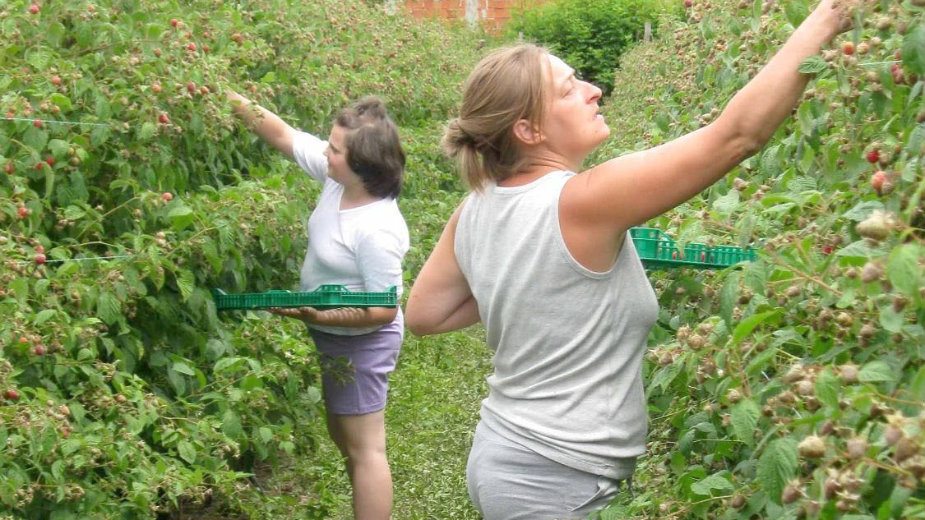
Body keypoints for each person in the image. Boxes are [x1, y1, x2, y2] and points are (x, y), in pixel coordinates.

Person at [405, 1, 852, 518]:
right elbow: (736, 136)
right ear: (528, 131)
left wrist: (530, 285)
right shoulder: (583, 201)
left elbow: (425, 313)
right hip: (553, 480)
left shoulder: (475, 207)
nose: (593, 90)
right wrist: (831, 15)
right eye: (569, 89)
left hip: (511, 457)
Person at [228, 90, 409, 520]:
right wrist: (227, 96)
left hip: (362, 344)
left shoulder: (377, 228)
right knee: (344, 438)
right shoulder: (338, 181)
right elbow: (282, 134)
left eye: (335, 149)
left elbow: (384, 308)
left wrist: (321, 313)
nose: (326, 152)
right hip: (333, 336)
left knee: (366, 450)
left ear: (363, 165)